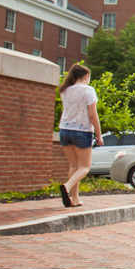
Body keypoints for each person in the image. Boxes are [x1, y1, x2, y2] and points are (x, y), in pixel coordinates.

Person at [57, 64, 103, 207]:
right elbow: (92, 115)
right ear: (86, 76)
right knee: (84, 167)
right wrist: (99, 135)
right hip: (81, 130)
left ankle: (75, 199)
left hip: (64, 129)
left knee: (73, 165)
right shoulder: (88, 90)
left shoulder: (65, 90)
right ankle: (67, 186)